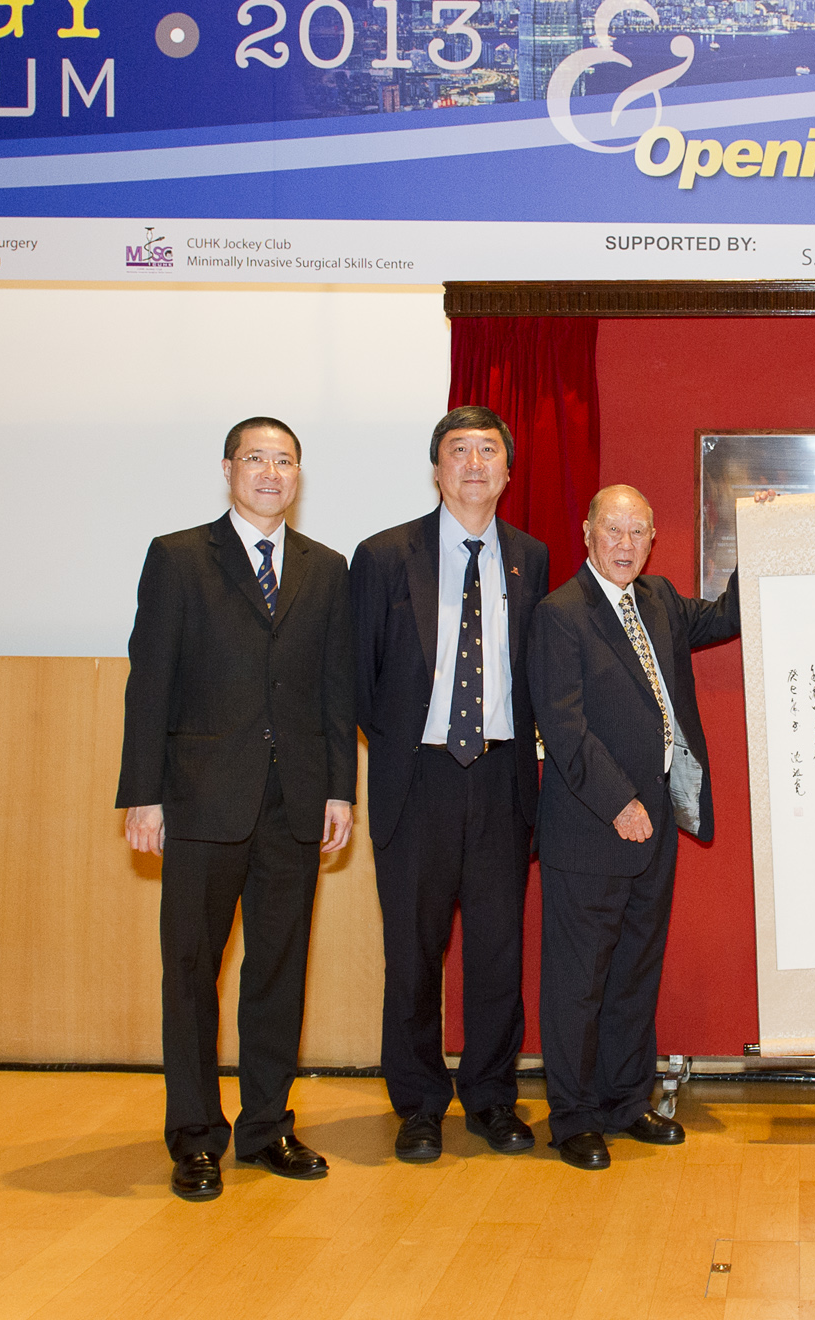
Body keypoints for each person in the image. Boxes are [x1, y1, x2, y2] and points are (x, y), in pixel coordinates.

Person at [117, 416, 356, 1202]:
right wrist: (142, 795)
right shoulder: (179, 557)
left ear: (299, 475)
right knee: (191, 974)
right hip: (198, 803)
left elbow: (334, 689)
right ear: (227, 469)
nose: (271, 472)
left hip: (293, 806)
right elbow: (149, 681)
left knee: (278, 974)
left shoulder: (326, 569)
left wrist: (339, 790)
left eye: (285, 461)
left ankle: (265, 1128)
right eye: (256, 458)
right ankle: (194, 1136)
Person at [351, 406, 549, 1163]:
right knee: (414, 953)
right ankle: (419, 1104)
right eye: (458, 451)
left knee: (498, 953)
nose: (474, 463)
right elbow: (360, 682)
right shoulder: (382, 556)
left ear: (507, 470)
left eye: (488, 451)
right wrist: (409, 745)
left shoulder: (531, 555)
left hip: (501, 777)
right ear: (436, 470)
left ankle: (493, 1098)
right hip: (418, 777)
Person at [528, 485, 741, 1170]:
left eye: (637, 532)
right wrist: (619, 800)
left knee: (633, 973)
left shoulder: (660, 601)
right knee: (578, 981)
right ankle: (573, 1117)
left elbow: (732, 614)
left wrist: (758, 528)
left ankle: (626, 1101)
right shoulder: (560, 614)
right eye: (612, 530)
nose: (624, 544)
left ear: (653, 538)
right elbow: (563, 727)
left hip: (657, 828)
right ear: (587, 531)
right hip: (593, 826)